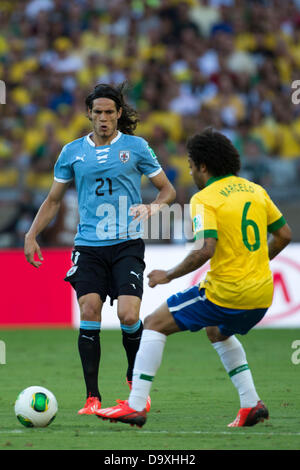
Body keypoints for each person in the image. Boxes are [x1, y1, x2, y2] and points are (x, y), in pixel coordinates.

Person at [96, 128, 292, 428]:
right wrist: (257, 262)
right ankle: (251, 403)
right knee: (216, 331)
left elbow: (205, 250)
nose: (189, 171)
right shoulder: (255, 190)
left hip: (226, 293)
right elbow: (284, 235)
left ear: (203, 166)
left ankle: (135, 406)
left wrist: (168, 275)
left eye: (190, 165)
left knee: (153, 323)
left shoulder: (205, 199)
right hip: (262, 295)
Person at [24, 83, 176, 415]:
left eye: (110, 112)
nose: (104, 118)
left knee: (129, 315)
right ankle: (92, 398)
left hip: (126, 244)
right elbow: (53, 200)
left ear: (119, 113)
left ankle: (135, 386)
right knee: (89, 311)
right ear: (89, 115)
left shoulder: (136, 147)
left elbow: (167, 191)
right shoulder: (72, 152)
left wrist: (152, 208)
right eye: (98, 113)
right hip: (88, 246)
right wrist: (32, 233)